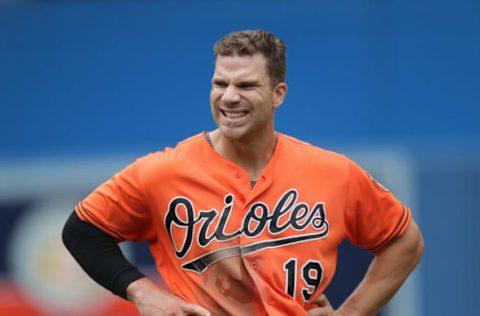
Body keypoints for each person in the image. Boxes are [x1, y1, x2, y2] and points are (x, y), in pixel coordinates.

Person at [62, 30, 424, 316]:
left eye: (246, 85)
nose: (229, 97)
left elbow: (404, 241)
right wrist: (143, 292)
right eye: (220, 84)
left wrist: (351, 313)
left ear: (278, 94)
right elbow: (82, 232)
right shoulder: (162, 172)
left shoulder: (333, 172)